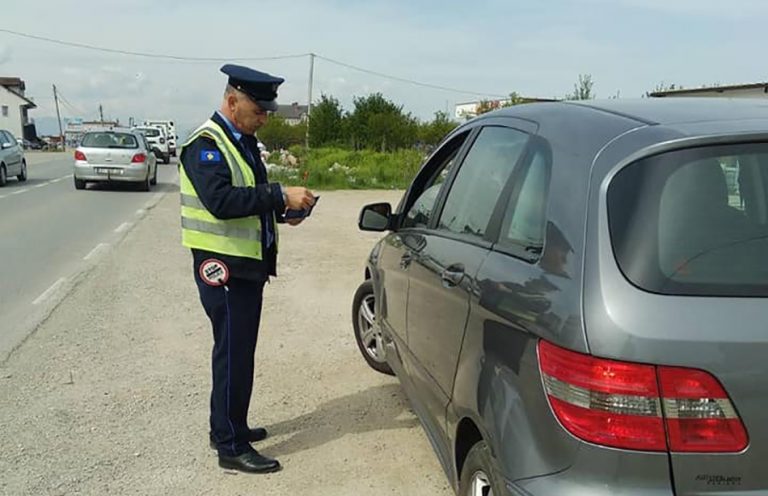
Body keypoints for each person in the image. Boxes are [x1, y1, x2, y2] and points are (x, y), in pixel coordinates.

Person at [179, 64, 315, 474]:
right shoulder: (206, 145)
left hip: (246, 268)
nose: (265, 117)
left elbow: (249, 202)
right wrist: (278, 195)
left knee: (239, 352)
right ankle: (230, 445)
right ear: (232, 100)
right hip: (225, 270)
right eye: (259, 109)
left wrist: (284, 213)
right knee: (234, 354)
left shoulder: (243, 141)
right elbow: (222, 201)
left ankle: (229, 424)